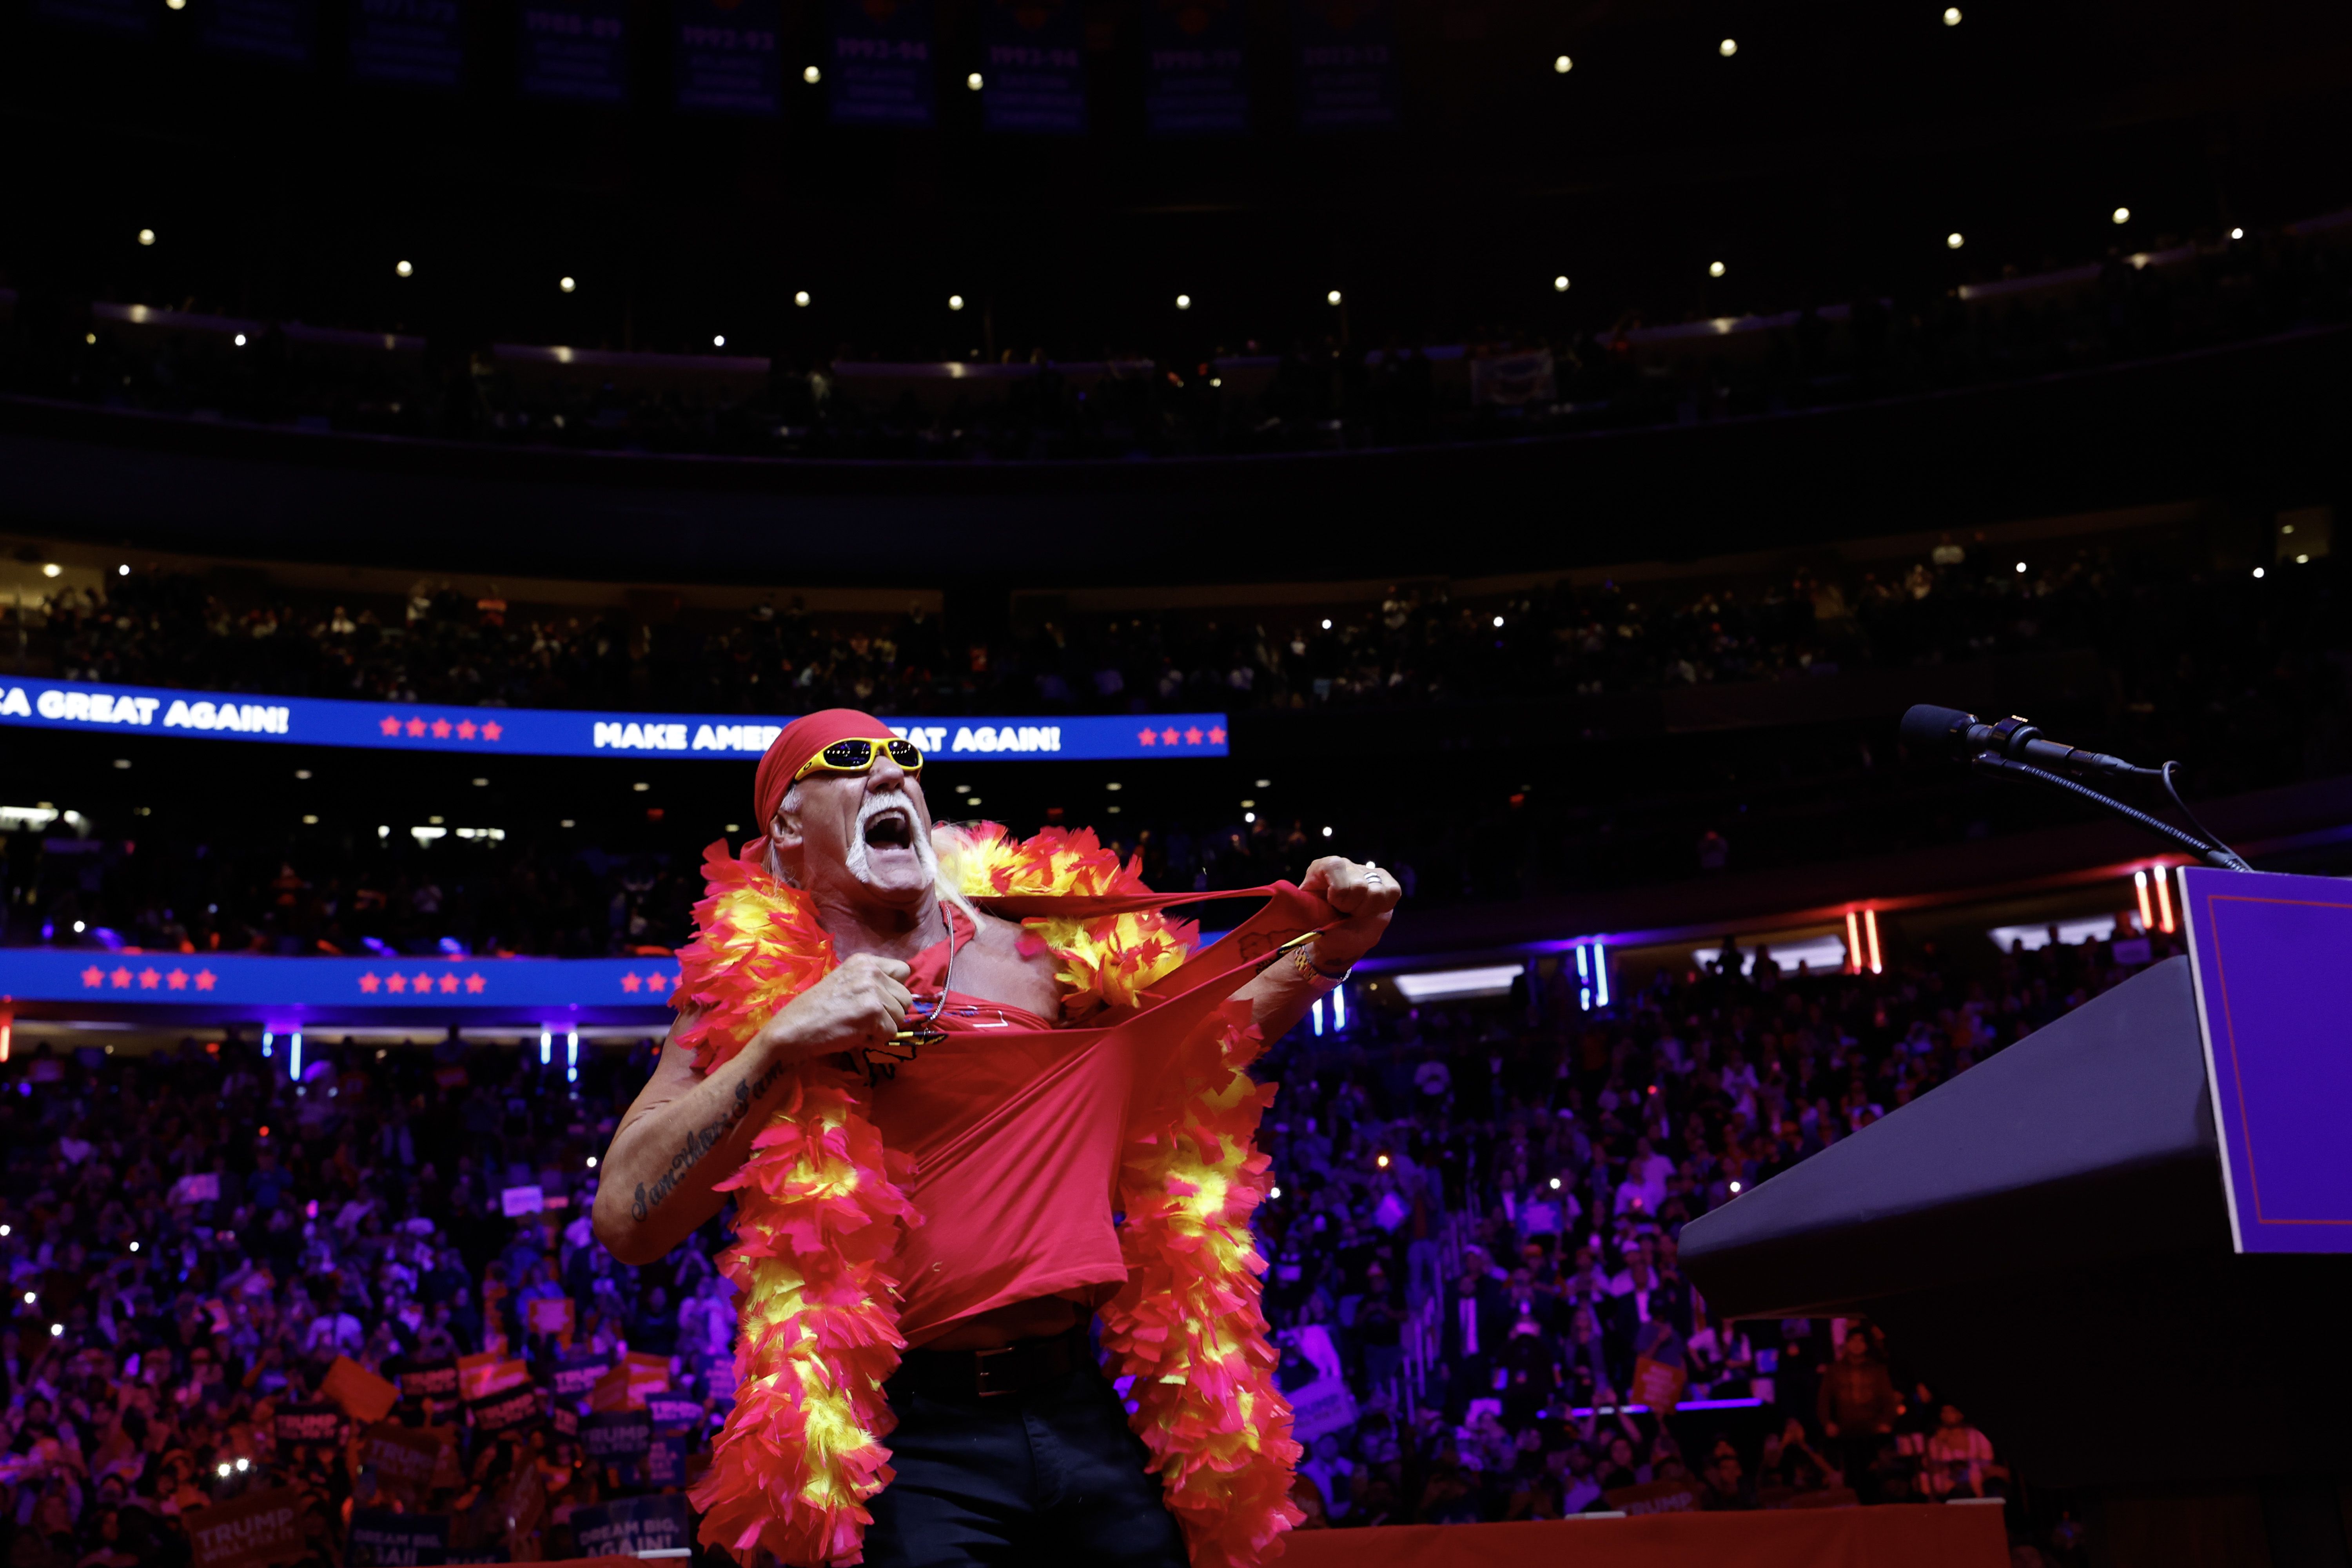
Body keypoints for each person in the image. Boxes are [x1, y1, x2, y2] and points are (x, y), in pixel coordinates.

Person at [593, 710, 1399, 1568]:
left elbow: (1198, 1044)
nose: (890, 772)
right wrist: (780, 1040)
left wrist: (1331, 945)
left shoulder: (1033, 945)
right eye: (850, 759)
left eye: (904, 757)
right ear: (788, 822)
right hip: (903, 1433)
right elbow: (626, 1217)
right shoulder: (751, 983)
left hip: (1074, 1401)